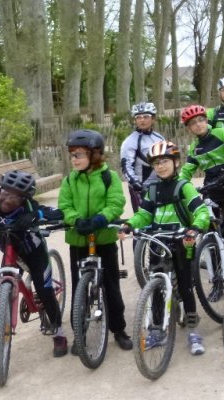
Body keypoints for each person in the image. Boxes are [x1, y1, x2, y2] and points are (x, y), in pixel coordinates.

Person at [0, 170, 67, 365]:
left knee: (44, 290)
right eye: (4, 192)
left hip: (33, 252)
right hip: (10, 252)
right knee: (1, 293)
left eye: (14, 196)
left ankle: (59, 332)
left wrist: (36, 215)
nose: (6, 199)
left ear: (24, 198)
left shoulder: (29, 206)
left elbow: (57, 214)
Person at [118, 141, 210, 355]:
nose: (161, 166)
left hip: (181, 241)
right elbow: (145, 214)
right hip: (158, 241)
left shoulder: (183, 186)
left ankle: (193, 330)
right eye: (156, 163)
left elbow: (201, 211)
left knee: (186, 286)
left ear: (176, 162)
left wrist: (195, 228)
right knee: (157, 288)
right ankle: (157, 331)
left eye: (165, 161)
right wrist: (130, 224)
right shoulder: (152, 189)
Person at [59, 129, 133, 353]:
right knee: (78, 288)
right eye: (72, 155)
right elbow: (64, 205)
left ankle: (118, 329)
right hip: (79, 240)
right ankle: (79, 333)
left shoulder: (108, 176)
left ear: (95, 154)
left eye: (79, 154)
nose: (74, 159)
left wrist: (103, 218)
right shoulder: (69, 180)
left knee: (111, 286)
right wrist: (75, 219)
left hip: (103, 238)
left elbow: (116, 201)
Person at [179, 104, 224, 251]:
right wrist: (178, 185)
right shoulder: (195, 147)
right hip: (211, 187)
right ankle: (215, 257)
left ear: (207, 121)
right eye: (193, 123)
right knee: (208, 225)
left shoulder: (221, 133)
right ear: (189, 128)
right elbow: (187, 171)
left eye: (200, 120)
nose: (198, 125)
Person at [120, 102, 166, 212]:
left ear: (153, 119)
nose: (142, 120)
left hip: (161, 186)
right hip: (141, 188)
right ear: (135, 120)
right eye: (138, 117)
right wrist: (135, 183)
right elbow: (126, 166)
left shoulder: (159, 138)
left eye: (146, 116)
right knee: (143, 222)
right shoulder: (130, 141)